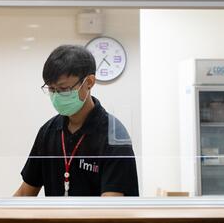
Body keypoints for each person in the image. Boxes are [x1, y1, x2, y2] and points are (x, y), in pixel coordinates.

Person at [14, 45, 139, 197]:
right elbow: (24, 193)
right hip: (55, 221)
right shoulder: (48, 132)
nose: (57, 96)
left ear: (89, 82)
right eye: (52, 90)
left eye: (64, 89)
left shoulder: (114, 137)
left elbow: (111, 207)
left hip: (95, 220)